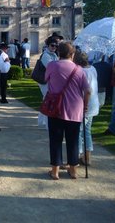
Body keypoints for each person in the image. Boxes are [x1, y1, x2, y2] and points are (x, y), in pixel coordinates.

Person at [45, 42, 90, 180]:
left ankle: (55, 171)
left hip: (56, 109)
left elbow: (46, 79)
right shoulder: (79, 69)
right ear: (72, 54)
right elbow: (88, 91)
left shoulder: (52, 65)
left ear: (58, 53)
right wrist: (85, 105)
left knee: (55, 140)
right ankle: (73, 170)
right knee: (73, 140)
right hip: (74, 109)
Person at [73, 50, 99, 166]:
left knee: (79, 132)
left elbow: (86, 91)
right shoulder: (93, 69)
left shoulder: (80, 71)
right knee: (87, 131)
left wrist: (85, 105)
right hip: (93, 103)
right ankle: (87, 156)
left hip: (85, 103)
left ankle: (78, 155)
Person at [37, 36, 60, 128]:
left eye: (56, 46)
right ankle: (47, 124)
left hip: (50, 81)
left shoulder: (53, 55)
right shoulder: (46, 55)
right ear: (48, 45)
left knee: (45, 101)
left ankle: (41, 122)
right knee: (48, 101)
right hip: (44, 81)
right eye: (52, 45)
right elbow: (52, 68)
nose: (54, 47)